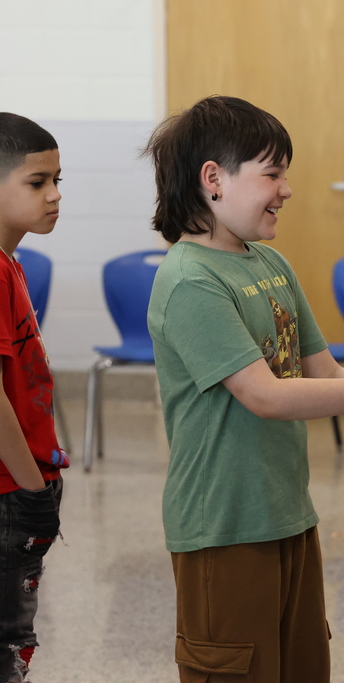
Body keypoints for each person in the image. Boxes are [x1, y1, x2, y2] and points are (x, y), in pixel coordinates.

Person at [144, 96, 344, 683]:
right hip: (223, 525)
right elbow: (266, 396)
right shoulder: (190, 281)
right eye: (273, 173)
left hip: (287, 513)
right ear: (213, 180)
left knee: (301, 667)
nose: (287, 190)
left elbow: (326, 374)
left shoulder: (271, 264)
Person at [0, 113, 68, 683]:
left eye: (58, 180)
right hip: (9, 490)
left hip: (23, 482)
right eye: (37, 182)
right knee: (7, 646)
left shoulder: (10, 263)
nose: (54, 196)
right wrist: (30, 489)